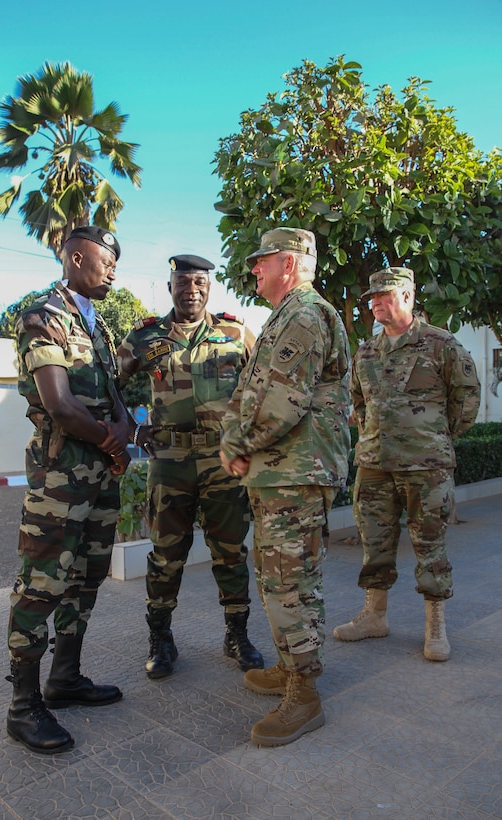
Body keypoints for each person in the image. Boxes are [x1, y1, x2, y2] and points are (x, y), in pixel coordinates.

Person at [220, 227, 351, 747]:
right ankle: (289, 665)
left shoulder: (303, 314)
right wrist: (238, 437)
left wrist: (236, 444)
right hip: (282, 470)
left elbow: (280, 402)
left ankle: (305, 695)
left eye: (263, 260)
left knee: (290, 584)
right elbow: (250, 392)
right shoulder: (285, 315)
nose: (254, 269)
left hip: (296, 471)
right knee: (279, 577)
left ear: (290, 264)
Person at [6, 226, 131, 754]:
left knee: (85, 578)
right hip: (61, 478)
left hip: (98, 477)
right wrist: (114, 444)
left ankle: (65, 679)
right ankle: (22, 706)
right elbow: (59, 405)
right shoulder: (44, 317)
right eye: (107, 261)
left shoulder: (95, 322)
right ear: (77, 257)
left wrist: (125, 428)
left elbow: (113, 392)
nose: (113, 271)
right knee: (41, 584)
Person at [117, 254, 264, 679]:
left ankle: (237, 634)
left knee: (231, 551)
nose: (191, 290)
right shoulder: (146, 338)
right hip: (169, 461)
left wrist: (250, 440)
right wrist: (132, 431)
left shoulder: (235, 333)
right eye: (183, 282)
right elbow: (110, 385)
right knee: (165, 554)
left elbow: (263, 385)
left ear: (209, 288)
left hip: (223, 461)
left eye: (199, 282)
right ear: (170, 287)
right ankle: (160, 640)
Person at [333, 266, 481, 661]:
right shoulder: (366, 351)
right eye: (373, 299)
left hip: (425, 465)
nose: (377, 303)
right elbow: (359, 404)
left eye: (385, 296)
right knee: (375, 543)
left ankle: (435, 626)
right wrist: (371, 437)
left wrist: (435, 437)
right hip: (374, 464)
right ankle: (374, 616)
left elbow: (466, 399)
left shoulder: (441, 344)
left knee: (430, 544)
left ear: (408, 297)